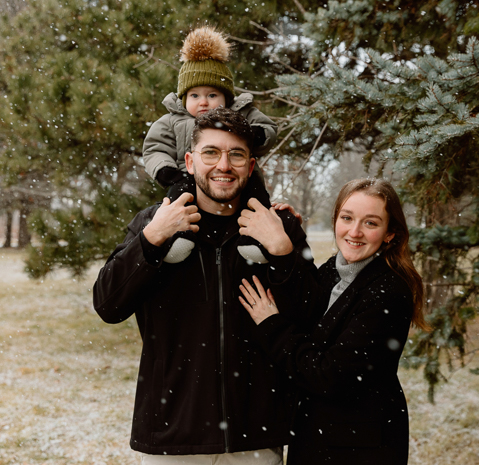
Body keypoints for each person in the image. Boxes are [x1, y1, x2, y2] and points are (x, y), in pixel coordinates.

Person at [93, 108, 309, 464]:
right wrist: (152, 238)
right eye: (211, 152)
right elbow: (107, 304)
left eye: (236, 154)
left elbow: (310, 313)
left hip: (254, 435)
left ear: (250, 166)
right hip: (171, 435)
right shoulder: (154, 221)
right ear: (190, 162)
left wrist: (284, 252)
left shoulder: (276, 225)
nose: (224, 165)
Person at [236, 178, 429, 465]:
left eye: (371, 223)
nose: (355, 232)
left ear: (390, 234)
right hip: (320, 439)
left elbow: (328, 375)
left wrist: (270, 324)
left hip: (359, 449)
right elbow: (305, 307)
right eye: (347, 218)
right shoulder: (336, 270)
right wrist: (290, 233)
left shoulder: (388, 291)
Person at [142, 25, 277, 264]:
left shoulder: (242, 113)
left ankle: (255, 237)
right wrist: (165, 170)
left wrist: (255, 135)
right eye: (195, 96)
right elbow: (155, 148)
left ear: (227, 97)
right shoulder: (172, 120)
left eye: (212, 95)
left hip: (238, 176)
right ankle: (179, 235)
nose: (203, 102)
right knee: (179, 199)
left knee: (256, 194)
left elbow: (269, 129)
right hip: (184, 175)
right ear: (184, 99)